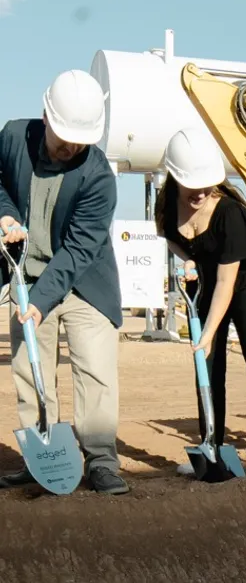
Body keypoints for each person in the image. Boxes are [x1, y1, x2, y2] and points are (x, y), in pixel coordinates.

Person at [0, 70, 128, 494]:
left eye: (80, 139)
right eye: (63, 137)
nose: (71, 146)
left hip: (83, 283)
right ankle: (43, 454)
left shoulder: (98, 177)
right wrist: (4, 214)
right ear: (45, 117)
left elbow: (77, 251)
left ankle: (102, 461)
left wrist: (40, 301)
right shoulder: (15, 136)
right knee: (28, 369)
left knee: (94, 370)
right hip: (25, 276)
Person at [155, 130, 246, 477]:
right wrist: (188, 259)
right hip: (207, 280)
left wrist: (209, 331)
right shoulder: (167, 206)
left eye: (207, 184)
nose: (200, 192)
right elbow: (171, 237)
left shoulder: (230, 213)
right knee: (208, 360)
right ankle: (210, 444)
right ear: (174, 177)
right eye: (192, 185)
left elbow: (227, 282)